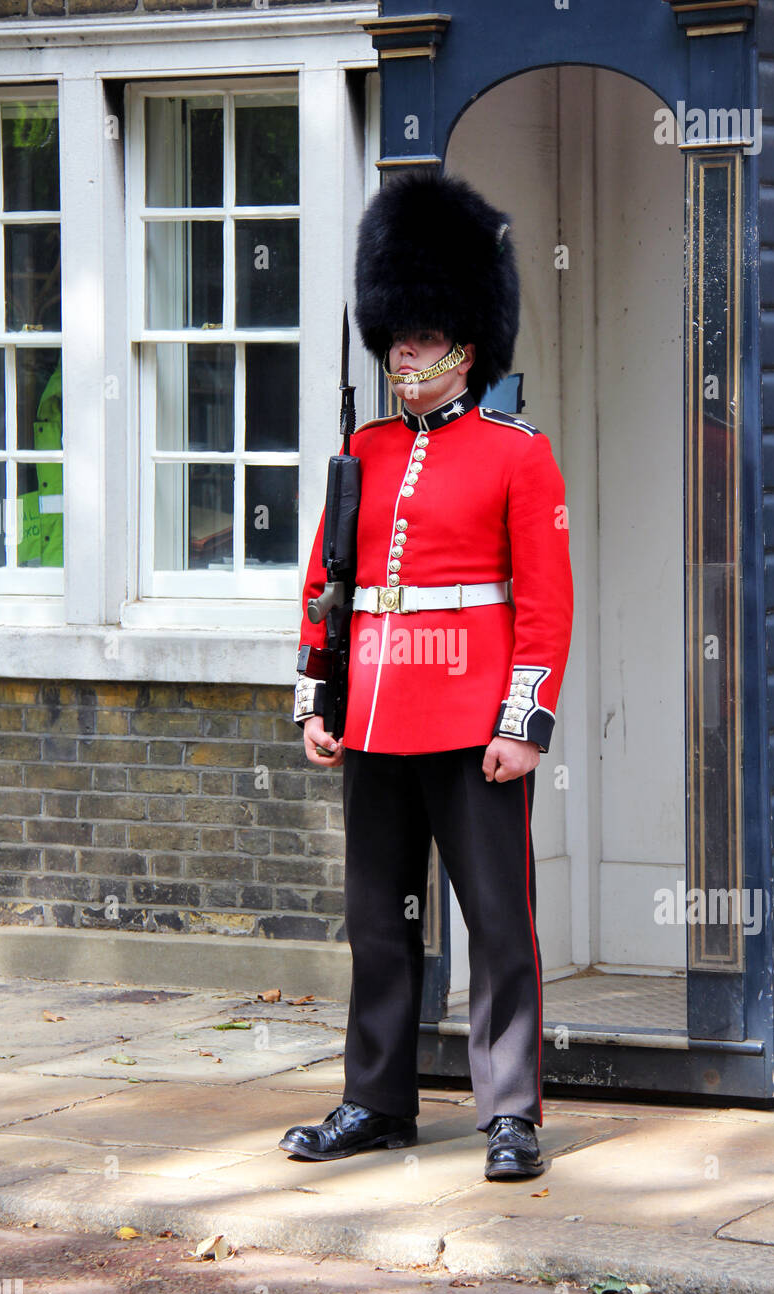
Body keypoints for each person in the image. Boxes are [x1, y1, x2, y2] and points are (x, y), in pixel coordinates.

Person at [281, 171, 573, 1180]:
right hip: (373, 718)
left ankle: (508, 1113)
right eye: (395, 332)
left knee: (496, 925)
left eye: (421, 331)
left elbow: (540, 605)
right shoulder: (359, 451)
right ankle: (376, 1098)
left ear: (464, 340)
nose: (403, 350)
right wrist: (316, 699)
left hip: (470, 718)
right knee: (379, 921)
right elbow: (330, 586)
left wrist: (521, 720)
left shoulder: (515, 456)